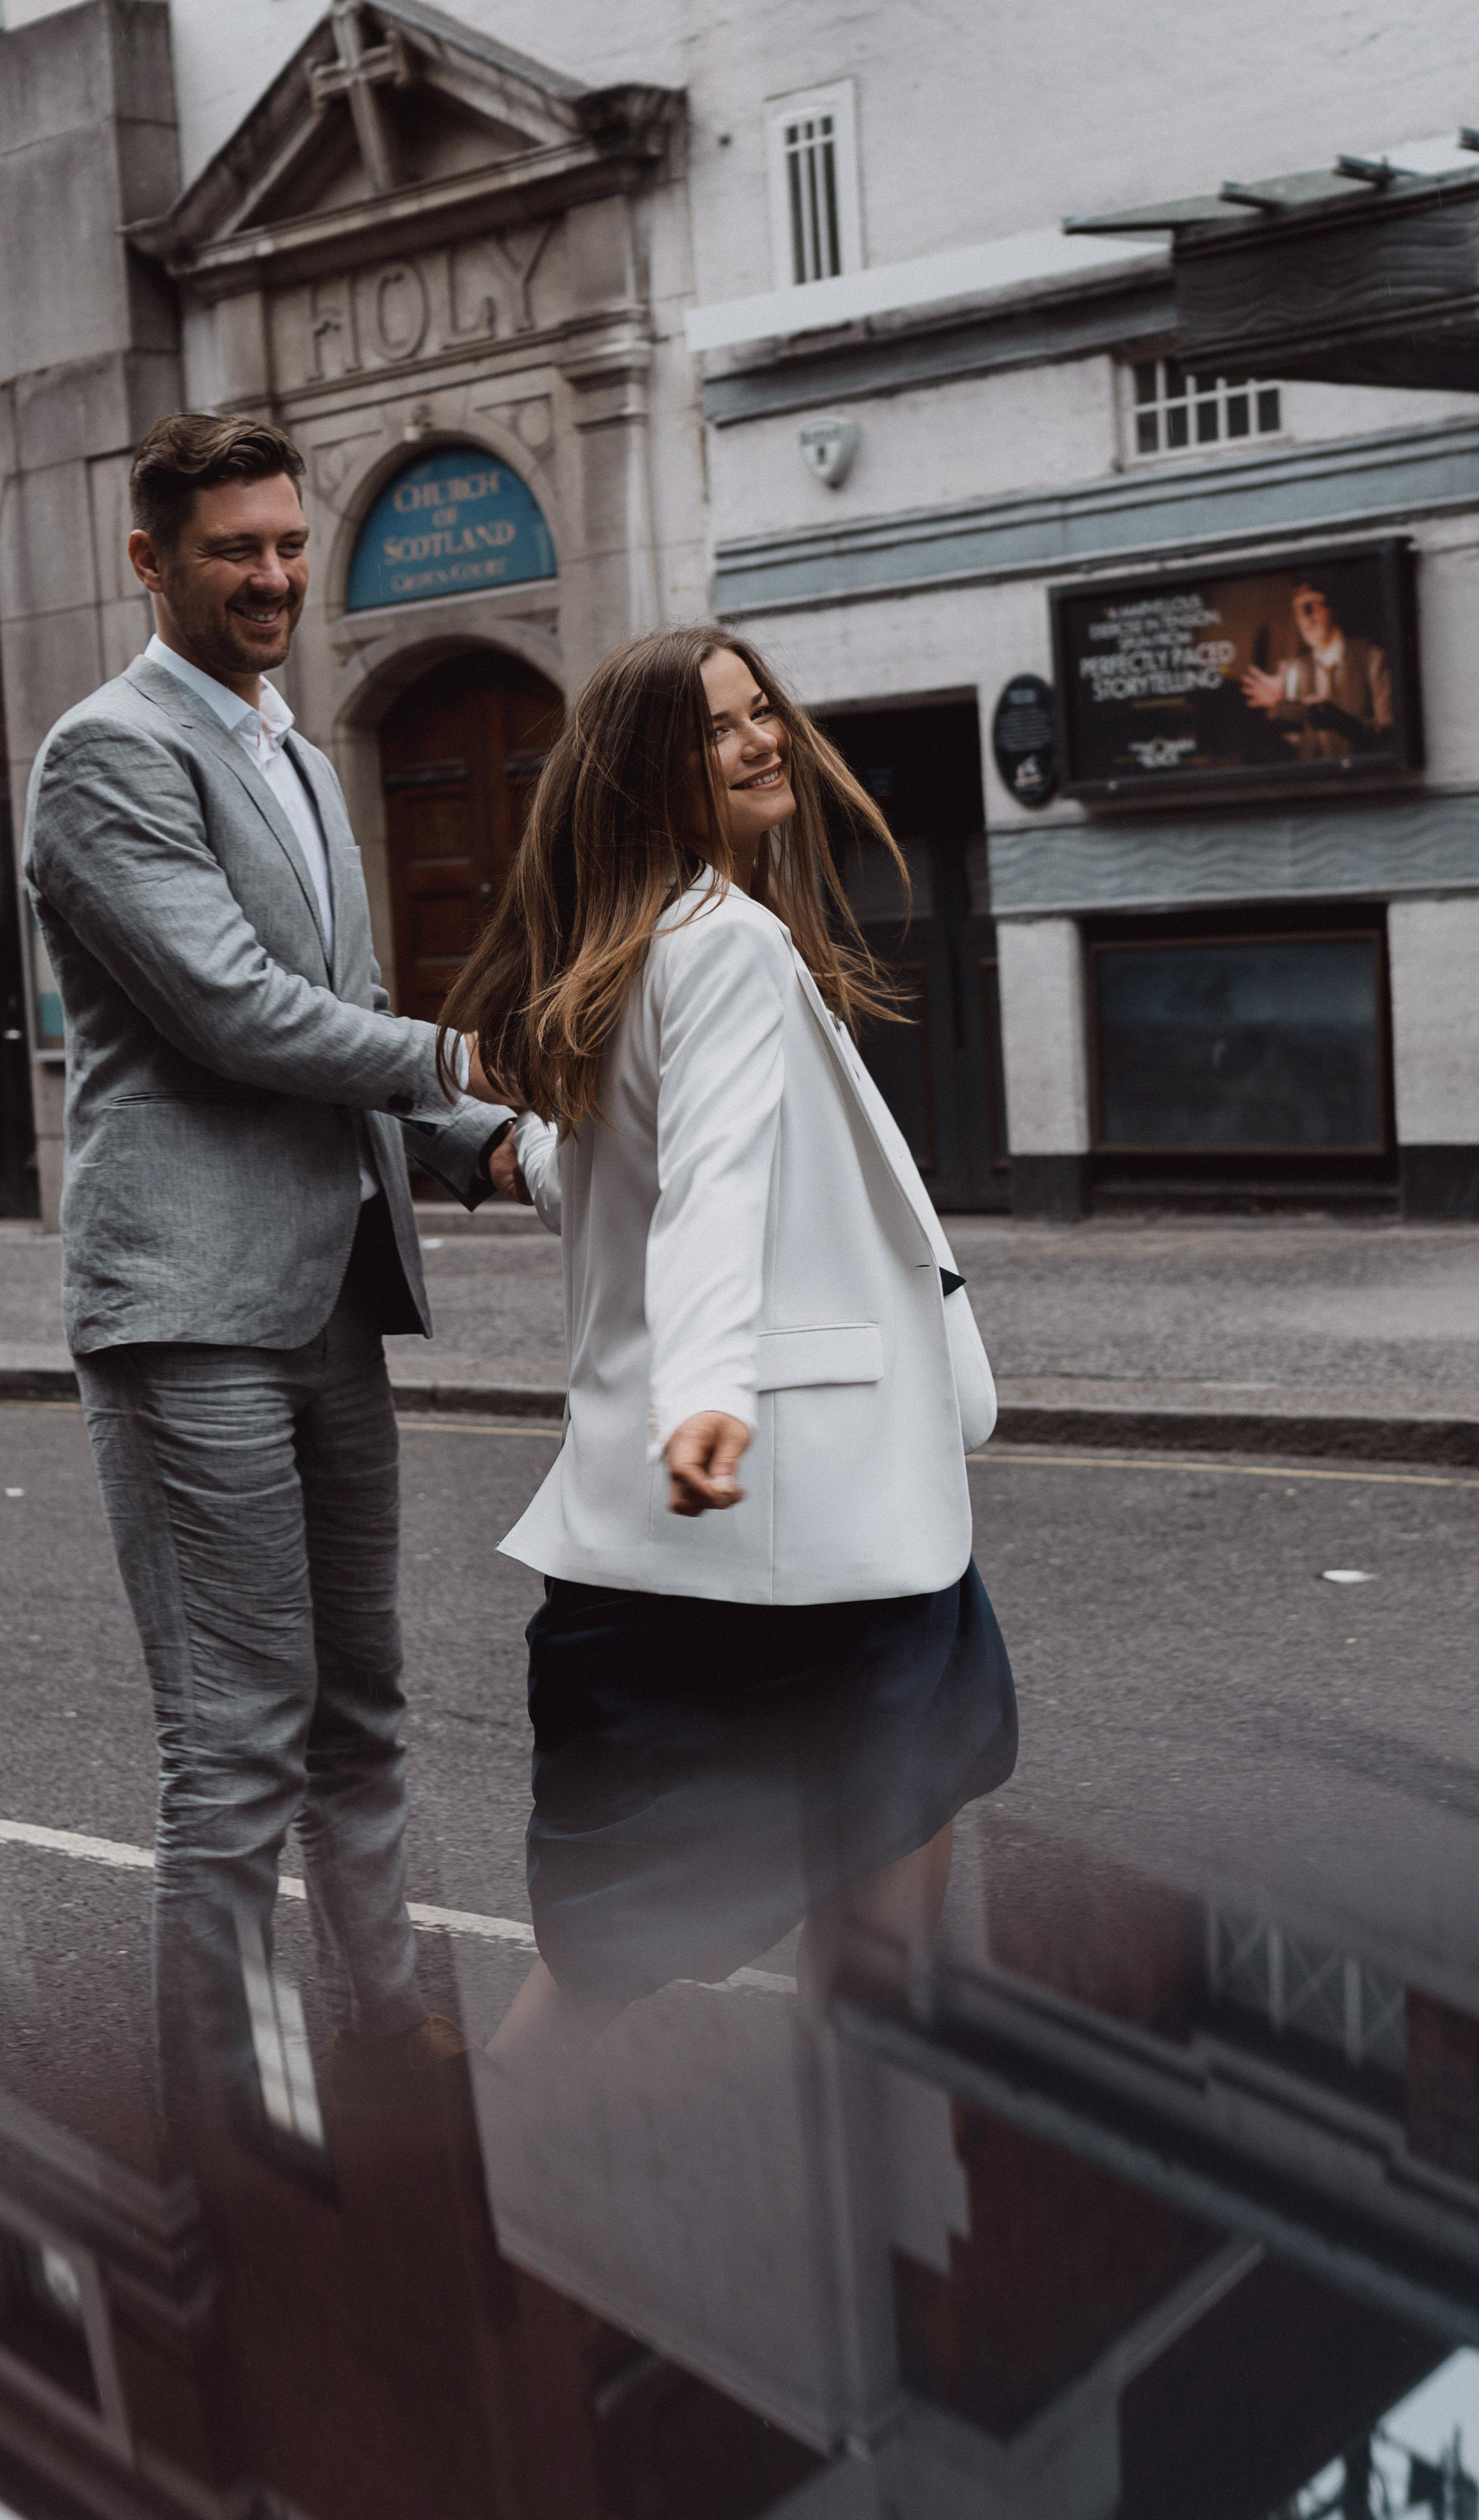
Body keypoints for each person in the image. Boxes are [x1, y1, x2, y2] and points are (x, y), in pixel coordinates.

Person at [22, 412, 520, 2139]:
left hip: (324, 1296)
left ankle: (388, 2045)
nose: (273, 577)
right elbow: (235, 1011)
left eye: (290, 544)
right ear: (149, 560)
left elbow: (342, 1013)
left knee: (360, 1712)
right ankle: (229, 2128)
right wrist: (464, 1052)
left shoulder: (299, 760)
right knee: (232, 1753)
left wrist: (490, 1146)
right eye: (232, 548)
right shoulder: (103, 756)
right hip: (188, 1307)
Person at [449, 626, 1018, 2076]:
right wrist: (705, 1392)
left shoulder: (643, 944)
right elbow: (706, 1192)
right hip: (813, 1535)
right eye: (717, 728)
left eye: (761, 709)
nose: (761, 738)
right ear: (652, 776)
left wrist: (517, 1159)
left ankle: (445, 2243)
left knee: (618, 1946)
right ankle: (875, 2199)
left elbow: (618, 1172)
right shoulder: (730, 946)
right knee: (843, 1908)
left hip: (729, 1545)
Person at [1239, 576, 1393, 763]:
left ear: (1335, 607)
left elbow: (1390, 738)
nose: (1305, 615)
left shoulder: (1371, 657)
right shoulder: (1295, 668)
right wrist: (1278, 709)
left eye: (1312, 603)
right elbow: (1295, 745)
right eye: (1297, 607)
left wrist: (1341, 722)